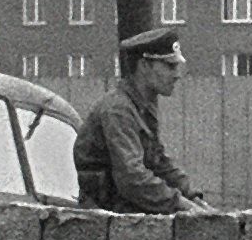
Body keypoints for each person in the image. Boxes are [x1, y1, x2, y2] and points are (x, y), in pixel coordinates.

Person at [74, 27, 213, 213]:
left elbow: (159, 162)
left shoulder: (141, 107)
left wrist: (193, 197)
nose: (177, 74)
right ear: (144, 65)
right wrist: (183, 205)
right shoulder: (118, 110)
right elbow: (132, 178)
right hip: (104, 220)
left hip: (125, 216)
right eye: (169, 66)